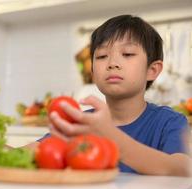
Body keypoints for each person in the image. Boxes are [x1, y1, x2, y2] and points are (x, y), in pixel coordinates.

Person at [24, 14, 191, 176]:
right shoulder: (81, 124)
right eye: (102, 56)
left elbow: (180, 169)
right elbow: (27, 153)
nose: (112, 64)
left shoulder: (170, 122)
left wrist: (111, 135)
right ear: (93, 72)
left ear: (152, 70)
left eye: (127, 54)